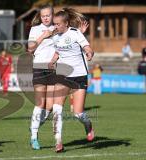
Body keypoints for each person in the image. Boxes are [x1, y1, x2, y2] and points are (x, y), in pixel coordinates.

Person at [49, 7, 95, 152]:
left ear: (66, 23)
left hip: (79, 75)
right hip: (62, 74)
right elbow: (58, 50)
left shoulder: (76, 34)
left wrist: (89, 53)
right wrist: (52, 60)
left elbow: (87, 47)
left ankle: (88, 125)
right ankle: (58, 142)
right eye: (54, 24)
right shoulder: (55, 36)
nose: (55, 26)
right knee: (57, 109)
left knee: (78, 113)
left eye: (57, 24)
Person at [27, 4, 56, 150]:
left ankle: (33, 126)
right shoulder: (35, 29)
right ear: (40, 16)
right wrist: (43, 36)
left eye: (48, 15)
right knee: (40, 103)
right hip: (39, 67)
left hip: (54, 69)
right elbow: (30, 48)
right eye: (43, 15)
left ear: (52, 15)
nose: (45, 18)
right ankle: (34, 136)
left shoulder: (58, 28)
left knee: (50, 107)